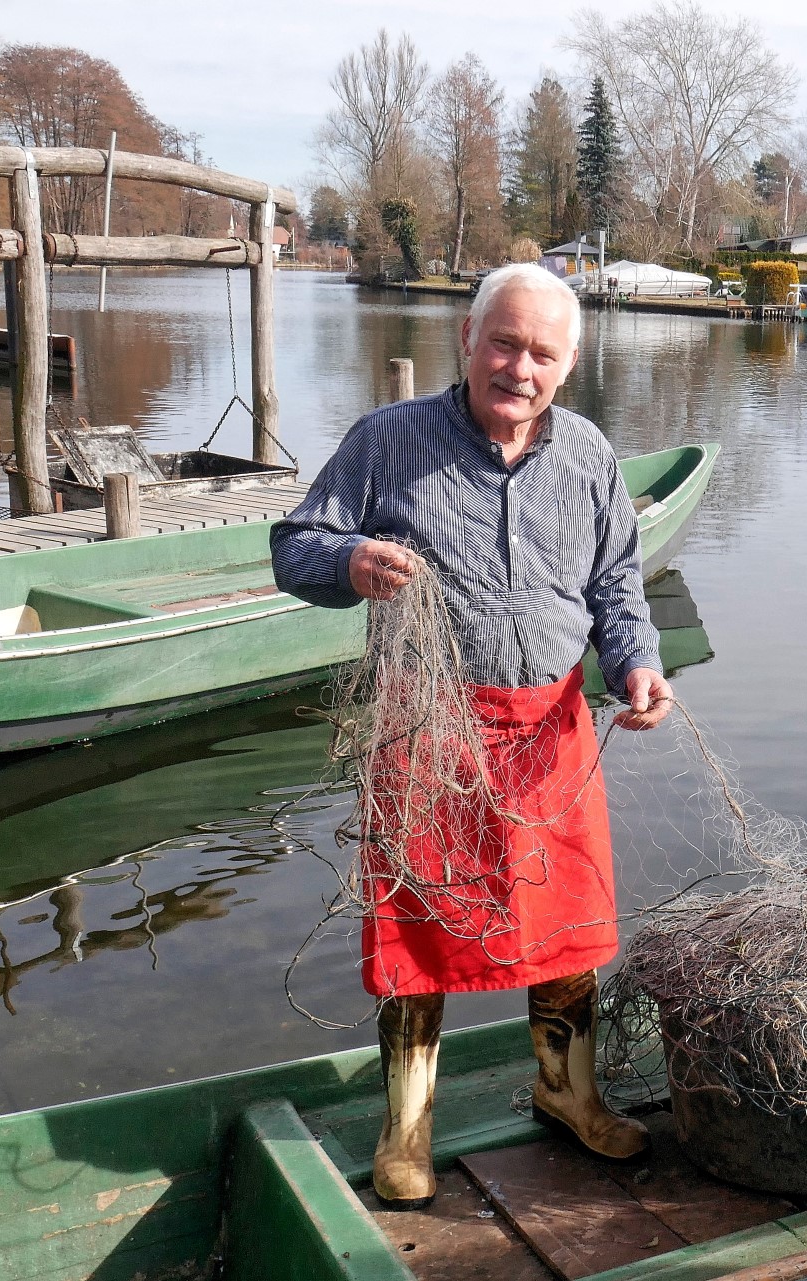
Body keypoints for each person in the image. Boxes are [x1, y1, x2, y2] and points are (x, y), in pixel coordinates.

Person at [270, 263, 673, 1209]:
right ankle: (406, 1128)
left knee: (568, 927)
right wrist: (349, 557)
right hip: (429, 730)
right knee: (418, 927)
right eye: (504, 342)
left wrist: (639, 663)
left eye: (541, 352)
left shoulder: (587, 456)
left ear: (568, 365)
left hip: (551, 730)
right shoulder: (387, 440)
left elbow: (617, 585)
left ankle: (567, 1092)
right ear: (466, 338)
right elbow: (295, 545)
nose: (518, 367)